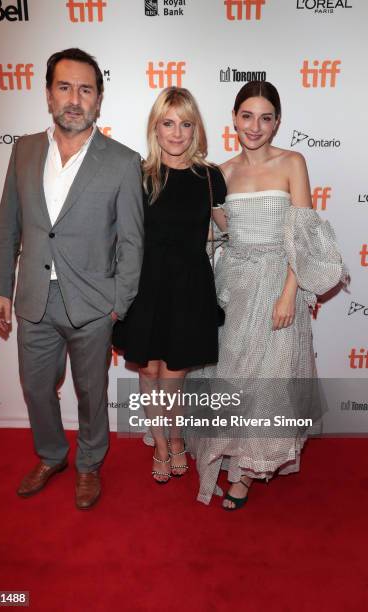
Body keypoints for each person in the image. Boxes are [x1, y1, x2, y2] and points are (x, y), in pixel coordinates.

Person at [0, 48, 143, 509]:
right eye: (65, 87)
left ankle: (90, 464)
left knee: (91, 393)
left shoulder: (121, 160)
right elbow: (7, 223)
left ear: (98, 99)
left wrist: (120, 301)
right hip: (33, 297)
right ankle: (52, 453)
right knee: (36, 388)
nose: (74, 99)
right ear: (48, 94)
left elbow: (133, 242)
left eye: (85, 89)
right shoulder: (25, 149)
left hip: (94, 303)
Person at [188, 81, 345, 508]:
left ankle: (246, 474)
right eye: (246, 116)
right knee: (237, 378)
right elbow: (222, 230)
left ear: (277, 122)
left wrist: (289, 293)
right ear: (234, 119)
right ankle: (234, 453)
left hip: (280, 281)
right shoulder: (221, 173)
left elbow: (303, 232)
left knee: (269, 382)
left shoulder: (293, 162)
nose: (255, 126)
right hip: (235, 286)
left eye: (266, 117)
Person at [113, 87, 226, 483]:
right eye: (168, 123)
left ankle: (176, 438)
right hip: (145, 287)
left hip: (189, 289)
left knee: (174, 376)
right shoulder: (139, 176)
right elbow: (121, 236)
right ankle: (161, 445)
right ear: (155, 128)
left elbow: (232, 229)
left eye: (186, 124)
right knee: (149, 371)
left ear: (196, 129)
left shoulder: (211, 177)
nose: (177, 133)